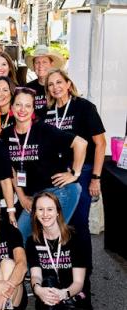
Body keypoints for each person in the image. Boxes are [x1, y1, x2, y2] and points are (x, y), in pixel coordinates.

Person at [15, 192, 107, 310]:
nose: (45, 214)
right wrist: (38, 289)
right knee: (48, 281)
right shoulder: (33, 242)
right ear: (34, 213)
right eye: (40, 209)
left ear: (58, 212)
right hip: (48, 301)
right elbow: (36, 275)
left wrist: (63, 293)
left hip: (74, 299)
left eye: (50, 209)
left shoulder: (75, 238)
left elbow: (79, 282)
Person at [0, 87, 88, 244]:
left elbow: (81, 143)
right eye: (18, 105)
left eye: (28, 106)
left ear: (33, 109)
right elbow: (11, 169)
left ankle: (55, 267)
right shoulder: (6, 135)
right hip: (33, 197)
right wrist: (21, 197)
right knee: (20, 238)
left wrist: (75, 173)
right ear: (11, 107)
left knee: (52, 237)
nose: (22, 110)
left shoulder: (44, 130)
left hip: (57, 192)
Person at [43, 68, 106, 271]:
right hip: (56, 174)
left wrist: (95, 178)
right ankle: (59, 268)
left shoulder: (84, 107)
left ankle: (83, 273)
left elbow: (100, 144)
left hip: (82, 173)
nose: (55, 87)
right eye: (51, 84)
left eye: (59, 82)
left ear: (68, 84)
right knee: (56, 223)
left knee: (78, 225)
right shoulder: (47, 112)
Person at [25, 45, 65, 119]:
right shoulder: (27, 89)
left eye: (44, 62)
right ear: (34, 66)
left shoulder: (60, 87)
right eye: (37, 62)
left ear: (51, 64)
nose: (40, 65)